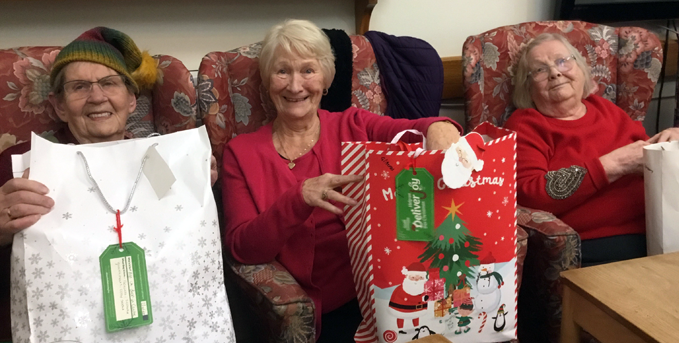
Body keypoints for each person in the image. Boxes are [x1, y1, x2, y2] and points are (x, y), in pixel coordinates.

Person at [222, 19, 461, 342]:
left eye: (308, 70)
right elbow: (241, 247)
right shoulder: (241, 153)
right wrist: (299, 197)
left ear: (325, 79)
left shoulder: (354, 124)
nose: (295, 86)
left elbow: (414, 129)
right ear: (267, 80)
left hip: (385, 289)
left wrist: (440, 126)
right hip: (320, 307)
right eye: (282, 71)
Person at [0, 27, 217, 339]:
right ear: (60, 106)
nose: (97, 96)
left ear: (131, 100)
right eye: (79, 87)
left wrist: (200, 186)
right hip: (65, 326)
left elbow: (189, 241)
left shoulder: (156, 160)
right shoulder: (23, 164)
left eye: (108, 83)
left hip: (159, 322)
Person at [504, 33, 679, 267]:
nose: (555, 72)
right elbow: (528, 192)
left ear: (582, 70)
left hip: (661, 233)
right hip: (594, 246)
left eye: (563, 61)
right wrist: (611, 165)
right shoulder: (527, 124)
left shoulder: (605, 109)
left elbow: (647, 156)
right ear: (528, 87)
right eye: (540, 70)